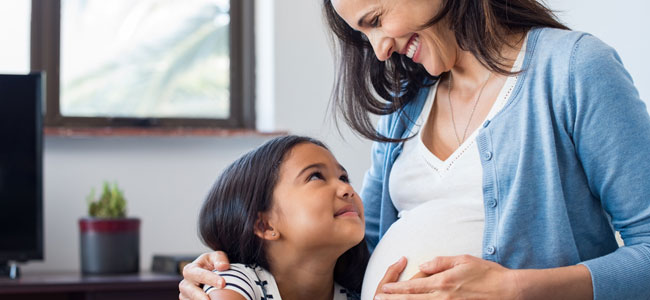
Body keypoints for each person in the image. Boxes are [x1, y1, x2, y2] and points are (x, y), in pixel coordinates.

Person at [179, 0, 650, 299]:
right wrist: (235, 272)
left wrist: (515, 289)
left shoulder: (572, 69)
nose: (379, 50)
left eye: (377, 20)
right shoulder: (405, 108)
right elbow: (359, 251)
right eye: (362, 35)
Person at [195, 135, 370, 300]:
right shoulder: (230, 283)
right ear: (265, 226)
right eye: (316, 176)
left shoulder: (360, 292)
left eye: (344, 178)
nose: (346, 189)